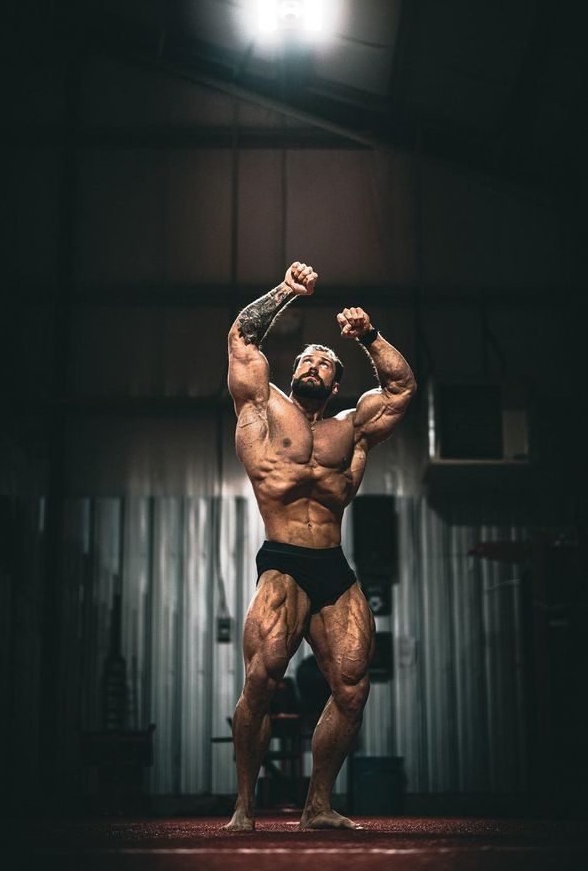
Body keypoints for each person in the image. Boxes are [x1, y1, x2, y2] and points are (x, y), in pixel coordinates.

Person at [224, 261, 416, 831]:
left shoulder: (352, 428)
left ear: (336, 384)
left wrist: (370, 338)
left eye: (325, 360)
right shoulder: (262, 408)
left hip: (333, 564)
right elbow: (242, 336)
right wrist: (287, 290)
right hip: (283, 559)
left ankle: (318, 806)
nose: (313, 361)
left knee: (352, 688)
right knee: (262, 679)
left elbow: (402, 388)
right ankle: (244, 807)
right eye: (306, 357)